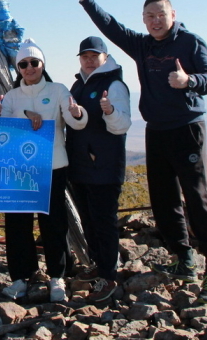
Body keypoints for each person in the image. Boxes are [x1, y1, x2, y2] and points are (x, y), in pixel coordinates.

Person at [62, 0, 207, 302]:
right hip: (157, 130)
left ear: (172, 14)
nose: (154, 21)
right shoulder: (144, 45)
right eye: (148, 16)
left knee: (195, 194)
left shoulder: (191, 42)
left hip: (188, 127)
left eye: (159, 15)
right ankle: (184, 258)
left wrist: (188, 81)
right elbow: (111, 27)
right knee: (163, 197)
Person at [0, 38, 88, 302]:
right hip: (19, 169)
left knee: (53, 222)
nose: (29, 67)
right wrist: (18, 114)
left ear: (42, 64)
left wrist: (77, 113)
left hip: (52, 166)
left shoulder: (58, 90)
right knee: (18, 223)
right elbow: (4, 128)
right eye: (23, 64)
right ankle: (21, 277)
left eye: (34, 62)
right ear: (18, 68)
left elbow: (74, 122)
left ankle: (57, 276)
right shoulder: (11, 96)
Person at [66, 36, 132, 303]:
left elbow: (121, 126)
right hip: (81, 165)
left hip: (104, 166)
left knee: (104, 221)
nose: (90, 60)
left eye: (95, 55)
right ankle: (97, 264)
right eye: (85, 56)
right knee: (89, 219)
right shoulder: (78, 84)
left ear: (105, 57)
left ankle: (108, 275)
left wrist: (110, 110)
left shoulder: (114, 84)